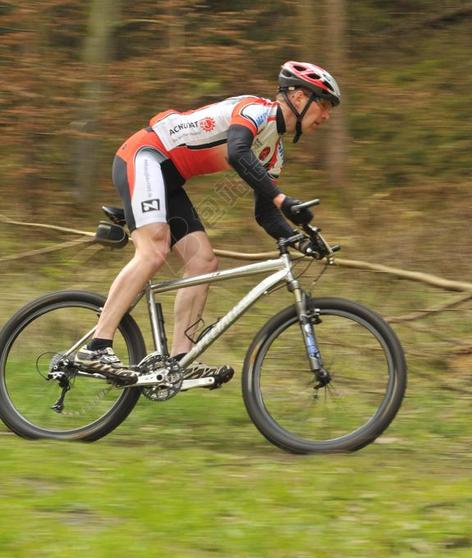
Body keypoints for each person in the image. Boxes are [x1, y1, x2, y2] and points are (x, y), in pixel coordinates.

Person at [74, 61, 341, 385]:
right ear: (299, 97)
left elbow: (266, 214)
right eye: (324, 104)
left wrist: (300, 240)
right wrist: (283, 199)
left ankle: (179, 361)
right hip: (144, 156)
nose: (327, 116)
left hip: (169, 179)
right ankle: (96, 347)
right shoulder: (255, 111)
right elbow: (237, 152)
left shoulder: (274, 152)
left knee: (203, 261)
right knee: (154, 249)